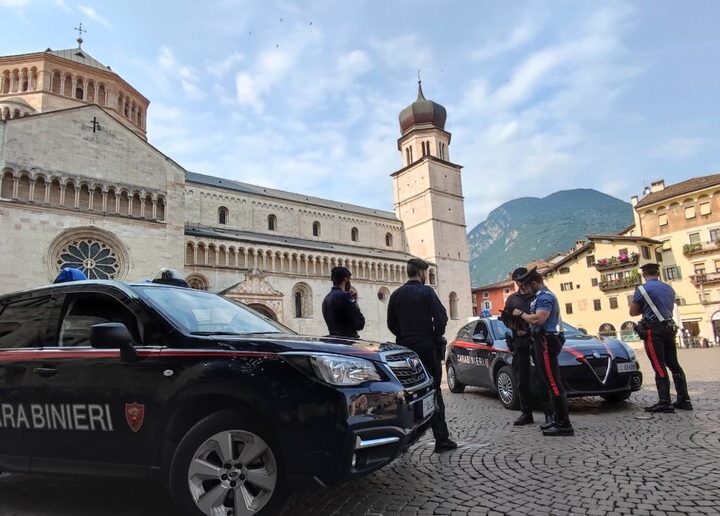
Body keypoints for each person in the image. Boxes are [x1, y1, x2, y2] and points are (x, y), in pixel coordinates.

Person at [387, 258, 457, 453]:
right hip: (427, 347)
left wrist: (404, 335)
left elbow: (391, 323)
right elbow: (441, 317)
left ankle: (404, 442)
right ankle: (441, 439)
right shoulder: (427, 292)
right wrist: (435, 334)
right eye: (425, 273)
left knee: (407, 394)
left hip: (405, 350)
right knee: (433, 390)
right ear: (420, 273)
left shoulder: (396, 294)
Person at [513, 267, 575, 437]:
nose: (526, 289)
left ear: (534, 283)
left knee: (553, 382)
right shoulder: (541, 297)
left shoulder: (545, 297)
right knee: (550, 382)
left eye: (527, 285)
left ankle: (563, 423)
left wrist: (521, 314)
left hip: (546, 340)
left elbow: (538, 319)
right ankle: (558, 419)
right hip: (542, 340)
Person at [630, 263, 692, 412]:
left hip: (653, 330)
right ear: (658, 273)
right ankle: (684, 399)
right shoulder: (669, 288)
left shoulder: (642, 289)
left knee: (659, 365)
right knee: (674, 364)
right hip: (669, 327)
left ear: (644, 274)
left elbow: (633, 312)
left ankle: (665, 402)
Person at [500, 267, 541, 426]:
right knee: (522, 379)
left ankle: (549, 413)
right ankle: (526, 413)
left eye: (522, 281)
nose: (520, 285)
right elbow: (505, 318)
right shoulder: (512, 299)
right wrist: (515, 327)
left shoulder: (537, 296)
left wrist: (527, 329)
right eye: (518, 282)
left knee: (541, 377)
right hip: (519, 342)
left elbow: (540, 318)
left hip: (536, 340)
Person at [321, 266, 365, 338]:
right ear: (345, 279)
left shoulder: (326, 299)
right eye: (349, 279)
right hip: (348, 341)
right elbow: (360, 323)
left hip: (334, 340)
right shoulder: (345, 297)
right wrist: (354, 302)